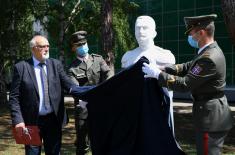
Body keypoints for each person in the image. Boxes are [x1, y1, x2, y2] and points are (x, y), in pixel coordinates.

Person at [142, 14, 234, 155]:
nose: (190, 35)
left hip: (211, 120)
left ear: (201, 33)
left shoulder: (209, 58)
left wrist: (158, 75)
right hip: (211, 114)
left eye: (191, 32)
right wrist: (164, 68)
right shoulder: (207, 52)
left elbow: (185, 84)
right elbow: (187, 66)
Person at [9, 35, 77, 155]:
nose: (47, 49)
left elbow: (70, 85)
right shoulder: (21, 67)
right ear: (34, 48)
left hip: (53, 120)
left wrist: (89, 93)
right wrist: (18, 120)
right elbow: (14, 98)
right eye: (42, 46)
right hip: (30, 122)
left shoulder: (56, 64)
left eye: (48, 46)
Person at [121, 15, 176, 132]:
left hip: (158, 111)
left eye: (145, 28)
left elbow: (170, 85)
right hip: (134, 111)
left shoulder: (165, 56)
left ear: (154, 33)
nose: (140, 31)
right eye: (137, 28)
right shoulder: (128, 56)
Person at [68, 31, 113, 155]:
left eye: (85, 43)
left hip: (100, 108)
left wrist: (105, 89)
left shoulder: (98, 59)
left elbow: (109, 74)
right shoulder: (72, 68)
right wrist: (98, 91)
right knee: (82, 145)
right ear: (73, 48)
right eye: (79, 45)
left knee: (101, 142)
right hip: (83, 110)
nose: (83, 46)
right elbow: (75, 89)